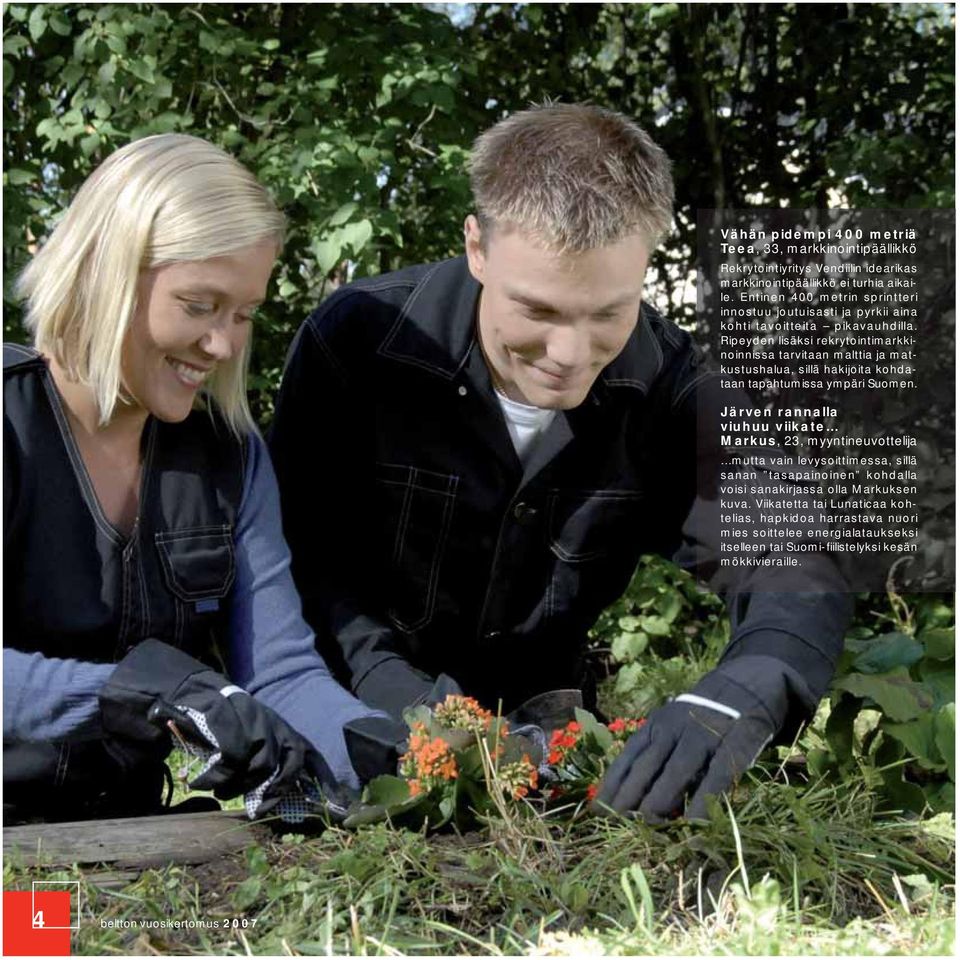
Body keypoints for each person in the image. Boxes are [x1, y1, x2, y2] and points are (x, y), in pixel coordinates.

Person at [268, 103, 852, 821]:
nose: (573, 355)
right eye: (539, 312)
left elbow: (794, 552)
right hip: (353, 726)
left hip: (554, 758)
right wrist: (405, 699)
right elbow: (302, 563)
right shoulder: (357, 342)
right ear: (477, 247)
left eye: (609, 312)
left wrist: (750, 682)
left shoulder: (672, 386)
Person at [3, 133, 386, 824]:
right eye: (200, 304)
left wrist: (385, 752)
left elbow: (282, 675)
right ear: (108, 269)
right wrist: (144, 690)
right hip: (16, 863)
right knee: (42, 938)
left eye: (243, 314)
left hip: (129, 854)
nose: (224, 345)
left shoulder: (232, 459)